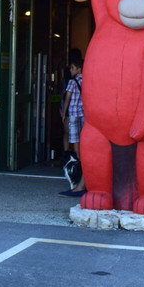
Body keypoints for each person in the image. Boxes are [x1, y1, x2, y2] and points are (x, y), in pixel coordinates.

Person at [59, 47, 86, 198]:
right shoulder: (86, 79)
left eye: (72, 68)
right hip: (84, 113)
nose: (70, 70)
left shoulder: (72, 81)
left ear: (78, 68)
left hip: (74, 113)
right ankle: (81, 158)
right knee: (82, 137)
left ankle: (77, 159)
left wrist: (64, 112)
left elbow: (68, 96)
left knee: (74, 138)